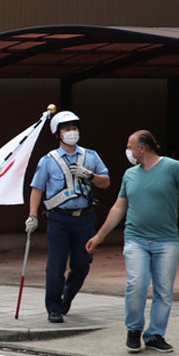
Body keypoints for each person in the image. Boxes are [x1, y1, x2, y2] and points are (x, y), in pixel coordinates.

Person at [86, 130, 179, 354]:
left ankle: (155, 335)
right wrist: (99, 236)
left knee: (164, 290)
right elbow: (119, 207)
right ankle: (134, 330)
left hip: (166, 241)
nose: (127, 150)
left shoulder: (174, 168)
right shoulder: (130, 174)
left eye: (129, 146)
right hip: (136, 239)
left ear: (142, 149)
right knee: (137, 283)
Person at [25, 110, 110, 323]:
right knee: (56, 265)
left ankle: (67, 297)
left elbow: (106, 182)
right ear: (58, 134)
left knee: (82, 263)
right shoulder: (48, 160)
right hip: (59, 219)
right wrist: (32, 216)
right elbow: (37, 188)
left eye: (74, 128)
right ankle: (53, 307)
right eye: (66, 129)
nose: (72, 132)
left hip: (85, 217)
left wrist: (89, 175)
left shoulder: (90, 156)